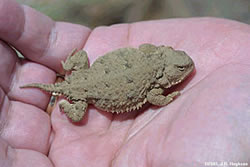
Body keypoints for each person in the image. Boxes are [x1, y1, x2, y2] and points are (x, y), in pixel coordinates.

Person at [1, 0, 250, 166]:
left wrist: (67, 70)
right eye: (182, 69)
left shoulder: (154, 57)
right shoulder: (156, 85)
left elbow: (145, 54)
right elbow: (153, 98)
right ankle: (64, 104)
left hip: (87, 74)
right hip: (89, 92)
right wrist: (169, 98)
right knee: (77, 115)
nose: (188, 68)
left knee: (82, 58)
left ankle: (66, 75)